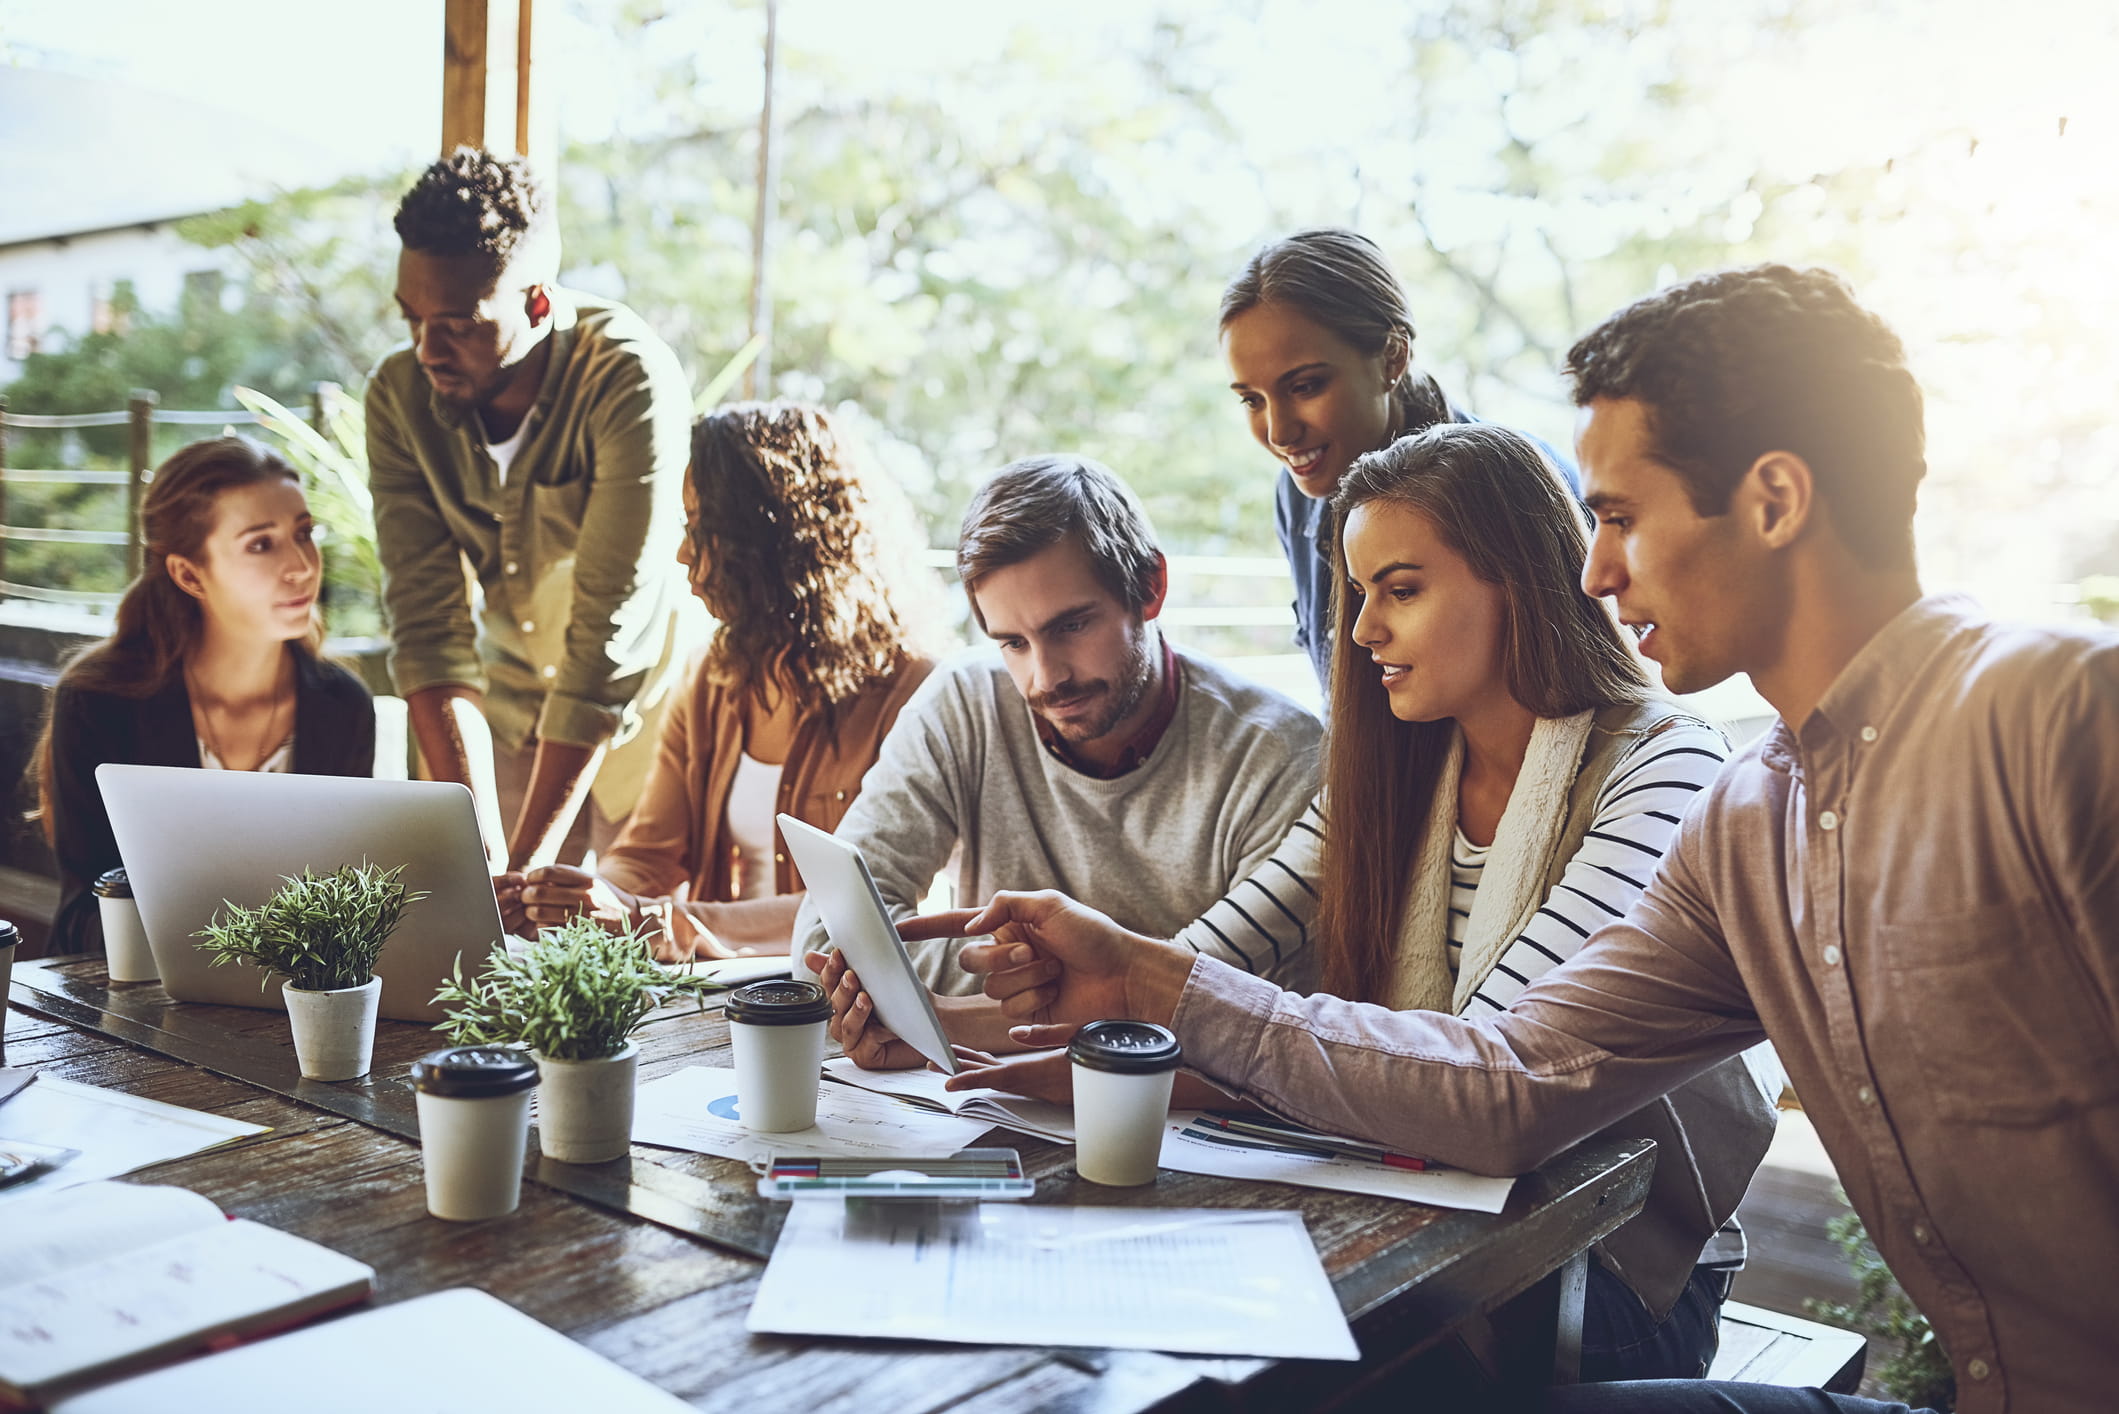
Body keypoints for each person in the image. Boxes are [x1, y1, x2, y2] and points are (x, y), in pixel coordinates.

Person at [930, 266, 2118, 1414]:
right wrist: (1127, 993)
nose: (1594, 569)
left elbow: (1481, 1067)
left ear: (1772, 499)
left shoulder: (2057, 716)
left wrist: (1165, 1001)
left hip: (1606, 1278)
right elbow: (1508, 1082)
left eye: (1615, 515)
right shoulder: (1753, 821)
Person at [934, 423, 1776, 1382]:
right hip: (1428, 1218)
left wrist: (1157, 1002)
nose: (1364, 629)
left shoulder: (1663, 765)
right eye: (1359, 593)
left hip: (1602, 1271)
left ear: (1521, 580)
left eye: (1402, 590)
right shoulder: (1394, 775)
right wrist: (967, 1022)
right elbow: (1213, 964)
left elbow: (1485, 1087)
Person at [790, 453, 1321, 1053]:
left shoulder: (1278, 757)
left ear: (1150, 588)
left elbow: (1257, 1023)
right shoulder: (964, 703)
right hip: (988, 1109)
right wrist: (1055, 983)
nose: (1046, 678)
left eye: (1071, 626)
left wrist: (947, 1009)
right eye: (1013, 642)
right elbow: (825, 945)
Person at [509, 403, 938, 957]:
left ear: (773, 538)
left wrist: (651, 922)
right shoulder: (713, 675)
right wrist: (583, 899)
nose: (685, 553)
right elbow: (648, 855)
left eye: (702, 528)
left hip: (843, 1006)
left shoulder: (910, 691)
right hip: (720, 997)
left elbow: (866, 906)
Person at [367, 147, 690, 876]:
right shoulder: (397, 395)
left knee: (633, 955)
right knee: (481, 939)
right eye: (410, 318)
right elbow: (426, 626)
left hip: (639, 719)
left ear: (537, 302)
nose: (426, 349)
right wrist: (477, 837)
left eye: (456, 324)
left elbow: (606, 637)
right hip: (500, 710)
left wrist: (526, 863)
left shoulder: (626, 379)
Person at [36, 437, 375, 955]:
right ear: (189, 574)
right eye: (261, 544)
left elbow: (349, 906)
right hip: (137, 1010)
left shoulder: (342, 705)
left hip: (295, 1009)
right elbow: (84, 917)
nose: (303, 565)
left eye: (304, 533)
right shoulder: (98, 702)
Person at [1221, 227, 1576, 691]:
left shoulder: (1515, 487)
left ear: (1392, 357)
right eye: (1252, 400)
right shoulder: (1298, 492)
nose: (1278, 432)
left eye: (1305, 386)